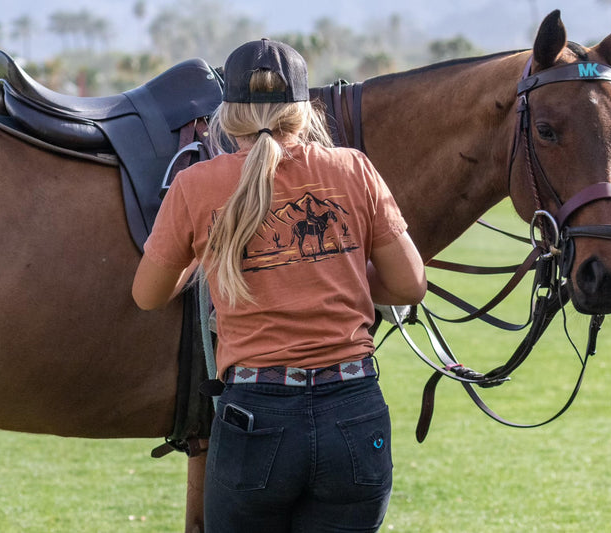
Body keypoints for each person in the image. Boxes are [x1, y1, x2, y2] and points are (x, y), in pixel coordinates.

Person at [132, 38, 426, 533]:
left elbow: (147, 295)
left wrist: (206, 260)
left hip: (256, 417)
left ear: (226, 116)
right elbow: (410, 284)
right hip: (352, 408)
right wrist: (339, 273)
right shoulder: (353, 168)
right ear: (304, 111)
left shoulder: (195, 185)